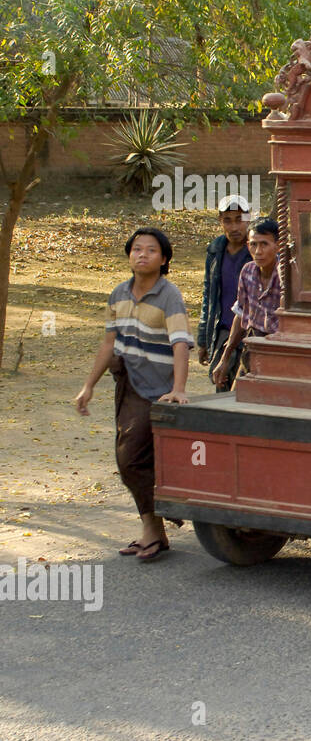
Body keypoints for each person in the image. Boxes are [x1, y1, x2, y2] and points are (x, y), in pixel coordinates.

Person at [75, 227, 194, 562]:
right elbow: (108, 343)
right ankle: (155, 529)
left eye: (151, 250)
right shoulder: (118, 294)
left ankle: (161, 518)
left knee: (130, 459)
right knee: (131, 459)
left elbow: (180, 343)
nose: (142, 255)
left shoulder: (169, 295)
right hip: (127, 384)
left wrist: (179, 389)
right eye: (136, 249)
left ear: (164, 259)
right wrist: (89, 385)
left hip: (156, 390)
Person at [213, 218, 281, 389]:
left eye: (264, 244)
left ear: (277, 246)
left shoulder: (287, 275)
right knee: (238, 399)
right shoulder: (248, 271)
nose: (258, 251)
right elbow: (241, 314)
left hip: (280, 351)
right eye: (253, 245)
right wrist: (224, 359)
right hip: (253, 346)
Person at [197, 195, 251, 391]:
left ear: (249, 219)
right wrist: (204, 338)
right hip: (222, 332)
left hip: (248, 332)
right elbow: (208, 296)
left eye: (239, 219)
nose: (234, 227)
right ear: (220, 221)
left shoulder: (256, 250)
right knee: (222, 388)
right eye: (227, 220)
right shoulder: (215, 251)